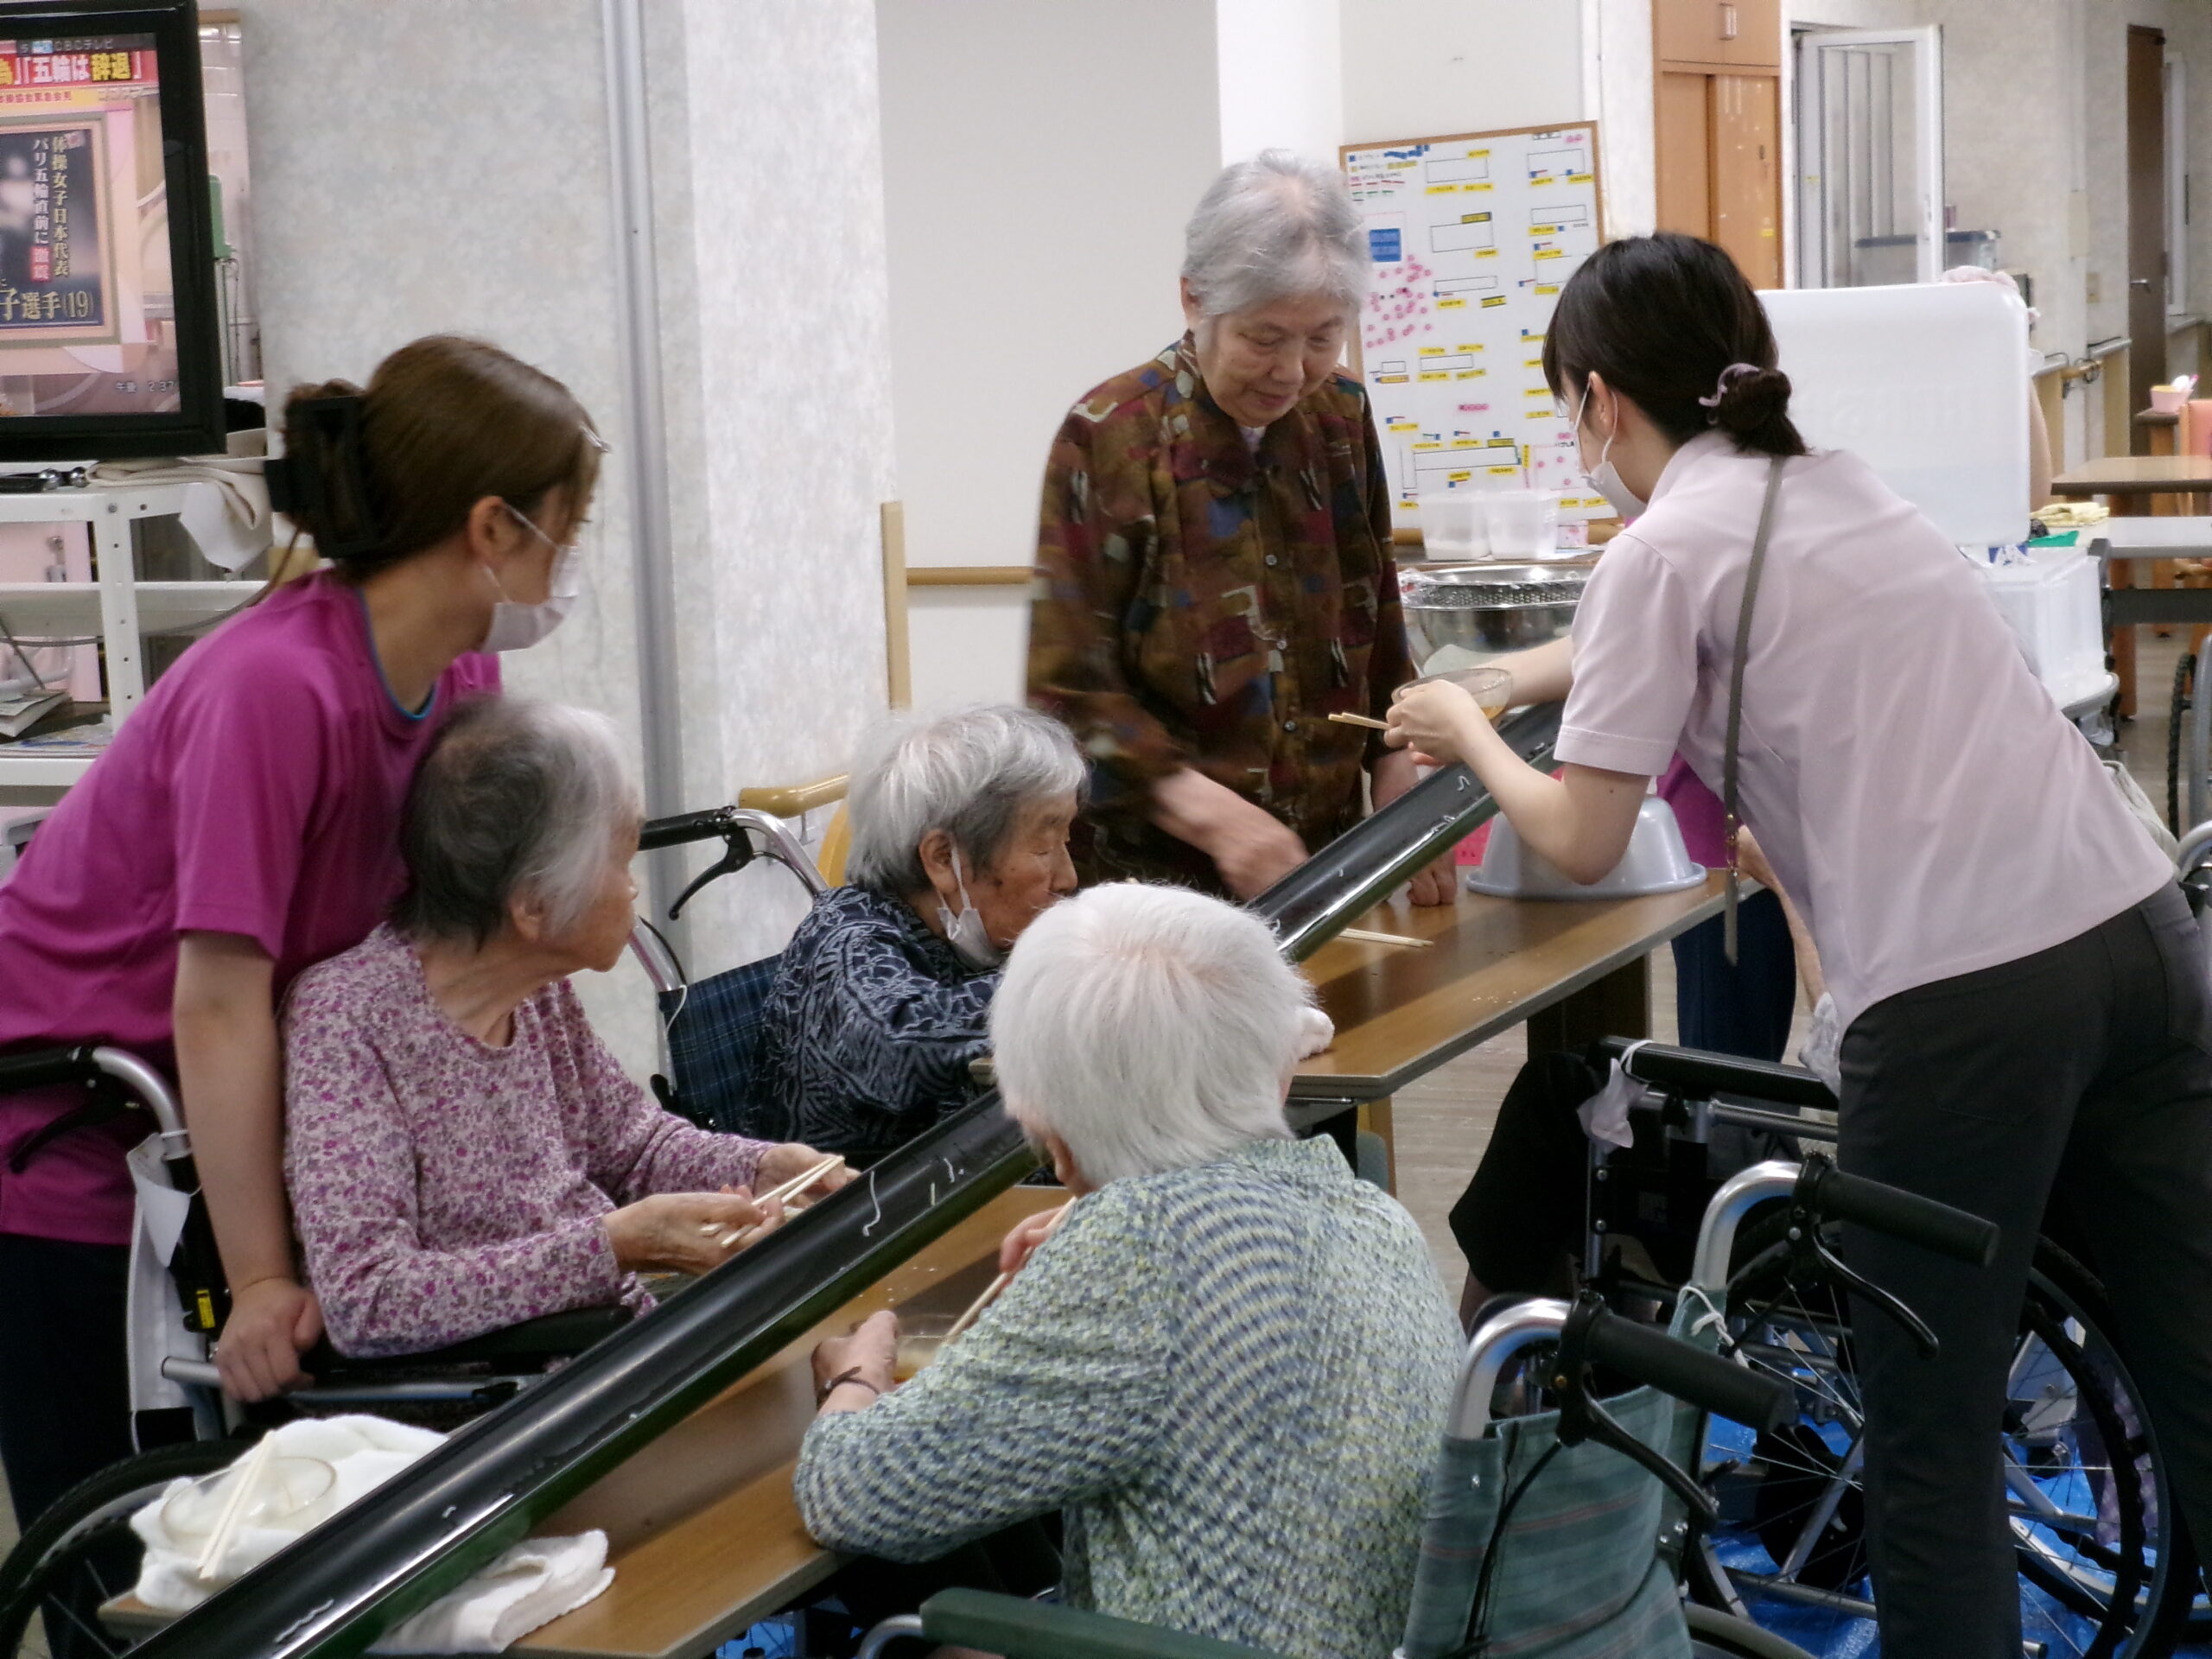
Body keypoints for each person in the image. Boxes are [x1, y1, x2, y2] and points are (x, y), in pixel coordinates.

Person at [1386, 230, 2212, 1659]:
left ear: (1595, 402)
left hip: (1964, 1004)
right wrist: (1530, 667)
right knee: (2201, 1364)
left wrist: (1467, 726)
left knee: (1929, 1440)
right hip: (2137, 934)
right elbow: (1693, 614)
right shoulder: (1837, 487)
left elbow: (1579, 835)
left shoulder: (1661, 549)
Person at [0, 336, 600, 1526]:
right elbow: (218, 1002)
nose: (570, 558)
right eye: (563, 525)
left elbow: (415, 958)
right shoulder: (273, 690)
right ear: (492, 528)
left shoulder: (462, 677)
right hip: (69, 1131)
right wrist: (264, 1274)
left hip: (216, 1122)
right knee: (134, 1552)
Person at [795, 882, 1459, 1657]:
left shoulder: (1145, 1247)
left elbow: (853, 1495)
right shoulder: (1373, 1214)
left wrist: (857, 1374)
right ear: (1278, 1071)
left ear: (1047, 1130)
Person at [283, 698, 851, 1359]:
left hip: (607, 1354)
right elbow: (368, 1299)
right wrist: (611, 1245)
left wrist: (761, 1165)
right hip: (501, 1410)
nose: (633, 890)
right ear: (533, 904)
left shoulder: (540, 994)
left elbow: (633, 1147)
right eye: (620, 859)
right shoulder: (347, 1019)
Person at [1027, 150, 1451, 905]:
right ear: (1195, 301)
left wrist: (1395, 763)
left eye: (1323, 337)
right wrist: (1217, 820)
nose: (1292, 370)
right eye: (1265, 338)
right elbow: (1067, 693)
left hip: (1323, 861)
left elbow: (1375, 609)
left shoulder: (1339, 413)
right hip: (1154, 881)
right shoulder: (1113, 434)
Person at [746, 704, 1082, 1164]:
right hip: (863, 1214)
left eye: (1066, 840)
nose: (1068, 877)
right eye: (1044, 846)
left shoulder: (965, 930)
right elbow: (900, 1046)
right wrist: (1079, 962)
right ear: (943, 858)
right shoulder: (846, 939)